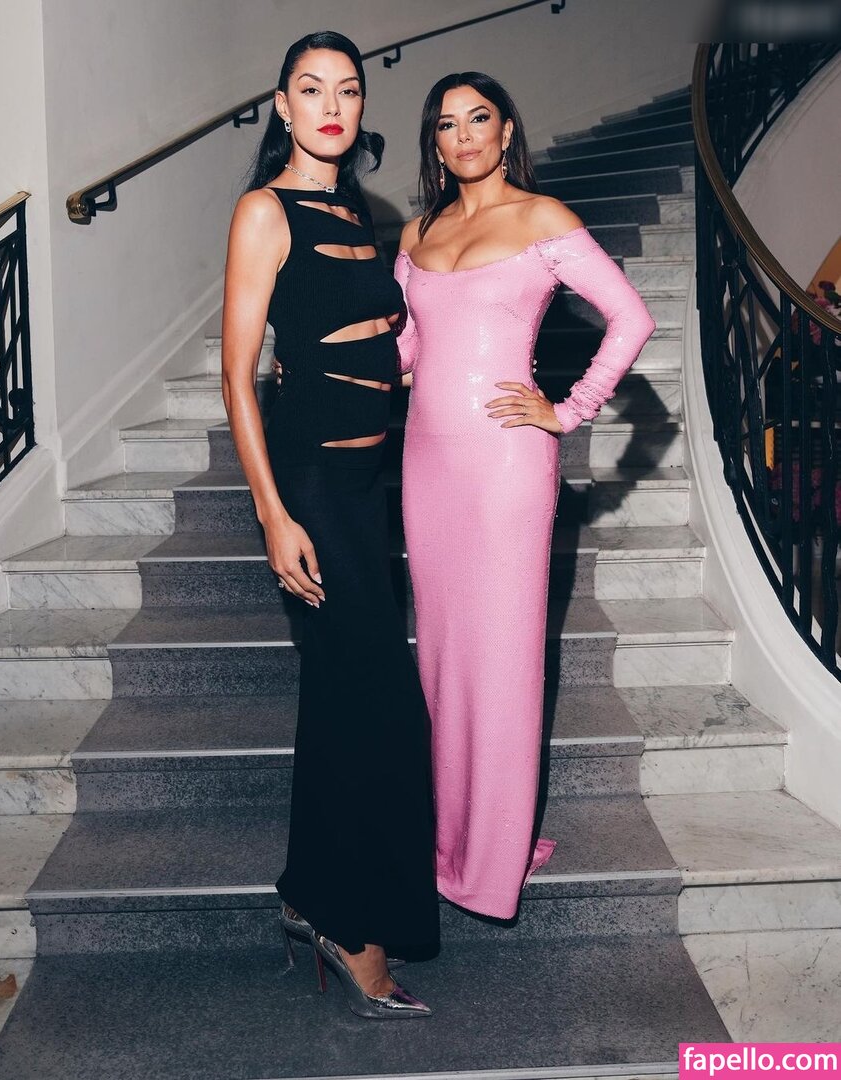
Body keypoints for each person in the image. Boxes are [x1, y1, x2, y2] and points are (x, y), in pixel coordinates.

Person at [394, 72, 656, 920]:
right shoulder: (420, 230)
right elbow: (409, 348)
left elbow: (631, 318)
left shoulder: (543, 219)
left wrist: (569, 411)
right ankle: (450, 838)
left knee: (502, 658)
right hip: (426, 465)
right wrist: (332, 363)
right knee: (441, 654)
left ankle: (491, 860)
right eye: (446, 125)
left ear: (506, 131)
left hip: (507, 464)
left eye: (479, 118)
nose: (464, 135)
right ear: (435, 144)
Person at [221, 31, 438, 1020]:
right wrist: (272, 514)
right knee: (376, 702)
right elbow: (238, 374)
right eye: (311, 90)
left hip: (366, 482)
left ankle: (314, 895)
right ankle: (350, 927)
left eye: (347, 90)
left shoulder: (360, 210)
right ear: (282, 105)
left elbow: (382, 337)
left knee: (346, 700)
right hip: (308, 481)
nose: (332, 106)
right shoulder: (263, 211)